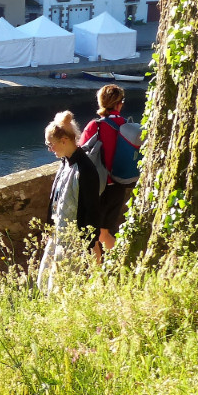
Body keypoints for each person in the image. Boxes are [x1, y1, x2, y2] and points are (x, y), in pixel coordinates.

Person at [38, 111, 101, 291]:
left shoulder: (85, 169)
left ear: (64, 140)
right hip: (59, 234)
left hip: (73, 239)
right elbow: (56, 200)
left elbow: (92, 210)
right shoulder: (65, 162)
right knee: (45, 282)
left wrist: (90, 244)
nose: (50, 149)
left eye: (51, 144)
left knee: (61, 288)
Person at [80, 84, 131, 253]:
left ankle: (100, 272)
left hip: (98, 187)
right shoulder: (127, 125)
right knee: (104, 232)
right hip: (119, 185)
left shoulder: (95, 126)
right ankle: (119, 264)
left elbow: (82, 155)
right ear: (119, 104)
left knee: (92, 234)